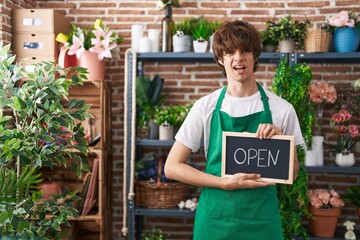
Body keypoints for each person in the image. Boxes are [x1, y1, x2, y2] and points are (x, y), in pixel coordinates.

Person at [164, 20, 304, 239]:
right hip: (215, 220)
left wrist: (280, 142)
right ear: (221, 59)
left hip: (262, 223)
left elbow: (293, 173)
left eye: (245, 51)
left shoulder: (282, 109)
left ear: (255, 56)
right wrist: (224, 183)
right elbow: (172, 167)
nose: (238, 57)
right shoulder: (205, 107)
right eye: (230, 52)